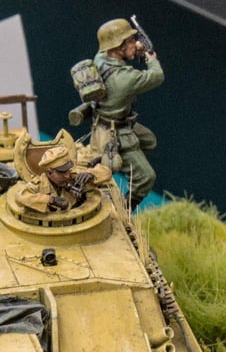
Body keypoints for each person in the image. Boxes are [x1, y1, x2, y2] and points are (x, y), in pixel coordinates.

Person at [90, 18, 163, 210]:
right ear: (117, 47)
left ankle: (121, 160)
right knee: (147, 177)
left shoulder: (101, 58)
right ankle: (125, 208)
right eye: (130, 41)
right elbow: (157, 76)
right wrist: (151, 59)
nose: (135, 43)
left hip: (107, 120)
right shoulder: (125, 79)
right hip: (115, 132)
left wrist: (133, 50)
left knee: (149, 141)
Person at [20, 140, 111, 213]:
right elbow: (21, 197)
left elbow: (106, 171)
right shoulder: (40, 184)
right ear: (49, 172)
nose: (67, 175)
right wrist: (51, 200)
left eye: (68, 170)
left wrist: (92, 174)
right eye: (62, 172)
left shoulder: (74, 175)